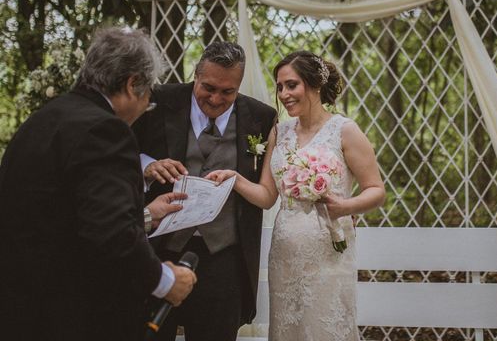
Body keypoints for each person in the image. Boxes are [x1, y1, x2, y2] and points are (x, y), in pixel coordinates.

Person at [0, 27, 197, 341]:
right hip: (76, 317)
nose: (146, 106)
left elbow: (67, 217)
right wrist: (165, 280)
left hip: (21, 310)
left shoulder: (41, 121)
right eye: (148, 98)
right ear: (133, 83)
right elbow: (112, 233)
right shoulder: (105, 130)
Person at [208, 50, 386, 340]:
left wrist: (345, 206)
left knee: (324, 328)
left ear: (314, 85)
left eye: (292, 85)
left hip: (328, 249)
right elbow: (267, 196)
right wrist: (235, 179)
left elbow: (376, 191)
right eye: (280, 87)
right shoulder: (280, 132)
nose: (284, 94)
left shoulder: (344, 131)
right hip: (285, 250)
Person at [132, 41, 277, 341]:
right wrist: (146, 166)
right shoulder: (158, 101)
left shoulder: (261, 117)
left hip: (224, 256)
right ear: (196, 75)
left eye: (228, 92)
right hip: (159, 249)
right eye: (208, 87)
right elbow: (121, 150)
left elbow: (266, 187)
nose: (215, 98)